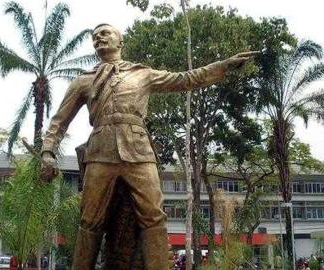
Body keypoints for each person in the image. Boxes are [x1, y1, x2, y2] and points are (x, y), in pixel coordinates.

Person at [40, 23, 258, 270]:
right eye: (95, 36)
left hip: (139, 152)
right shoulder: (83, 81)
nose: (99, 38)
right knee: (89, 220)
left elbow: (185, 79)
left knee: (154, 216)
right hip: (100, 152)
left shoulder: (142, 74)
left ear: (120, 42)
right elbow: (59, 121)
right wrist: (48, 151)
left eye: (105, 33)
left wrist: (222, 66)